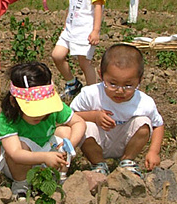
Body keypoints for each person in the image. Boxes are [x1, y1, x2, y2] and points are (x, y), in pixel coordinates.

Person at [70, 43, 164, 176]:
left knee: (144, 123)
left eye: (128, 85)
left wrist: (154, 151)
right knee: (84, 126)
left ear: (140, 80)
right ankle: (98, 164)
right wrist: (93, 116)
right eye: (112, 84)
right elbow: (69, 116)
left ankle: (127, 161)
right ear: (101, 75)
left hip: (125, 141)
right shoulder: (91, 94)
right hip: (98, 140)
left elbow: (158, 125)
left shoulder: (144, 102)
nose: (120, 91)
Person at [0, 62, 86, 199]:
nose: (39, 115)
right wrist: (44, 157)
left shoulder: (55, 109)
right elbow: (15, 154)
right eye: (33, 110)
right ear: (14, 102)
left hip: (48, 155)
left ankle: (59, 178)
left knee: (66, 133)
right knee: (21, 145)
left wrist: (70, 144)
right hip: (20, 164)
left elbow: (79, 122)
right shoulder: (7, 119)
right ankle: (21, 185)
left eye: (43, 109)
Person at [51, 0, 106, 100]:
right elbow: (72, 5)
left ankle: (92, 95)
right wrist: (65, 24)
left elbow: (98, 7)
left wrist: (95, 31)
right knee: (57, 55)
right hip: (70, 29)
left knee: (84, 63)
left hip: (85, 30)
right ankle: (72, 83)